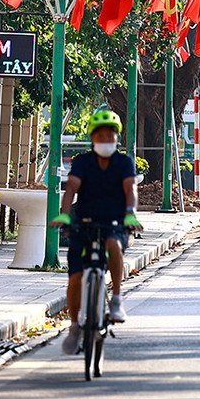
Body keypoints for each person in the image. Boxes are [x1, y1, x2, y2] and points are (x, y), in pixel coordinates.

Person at [50, 108, 144, 354]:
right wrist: (64, 213)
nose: (105, 140)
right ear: (92, 138)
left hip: (114, 222)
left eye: (110, 136)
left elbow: (130, 189)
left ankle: (116, 299)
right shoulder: (82, 162)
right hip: (84, 222)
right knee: (75, 278)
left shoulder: (124, 163)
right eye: (100, 136)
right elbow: (71, 187)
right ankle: (73, 326)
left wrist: (130, 213)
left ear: (117, 139)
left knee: (113, 246)